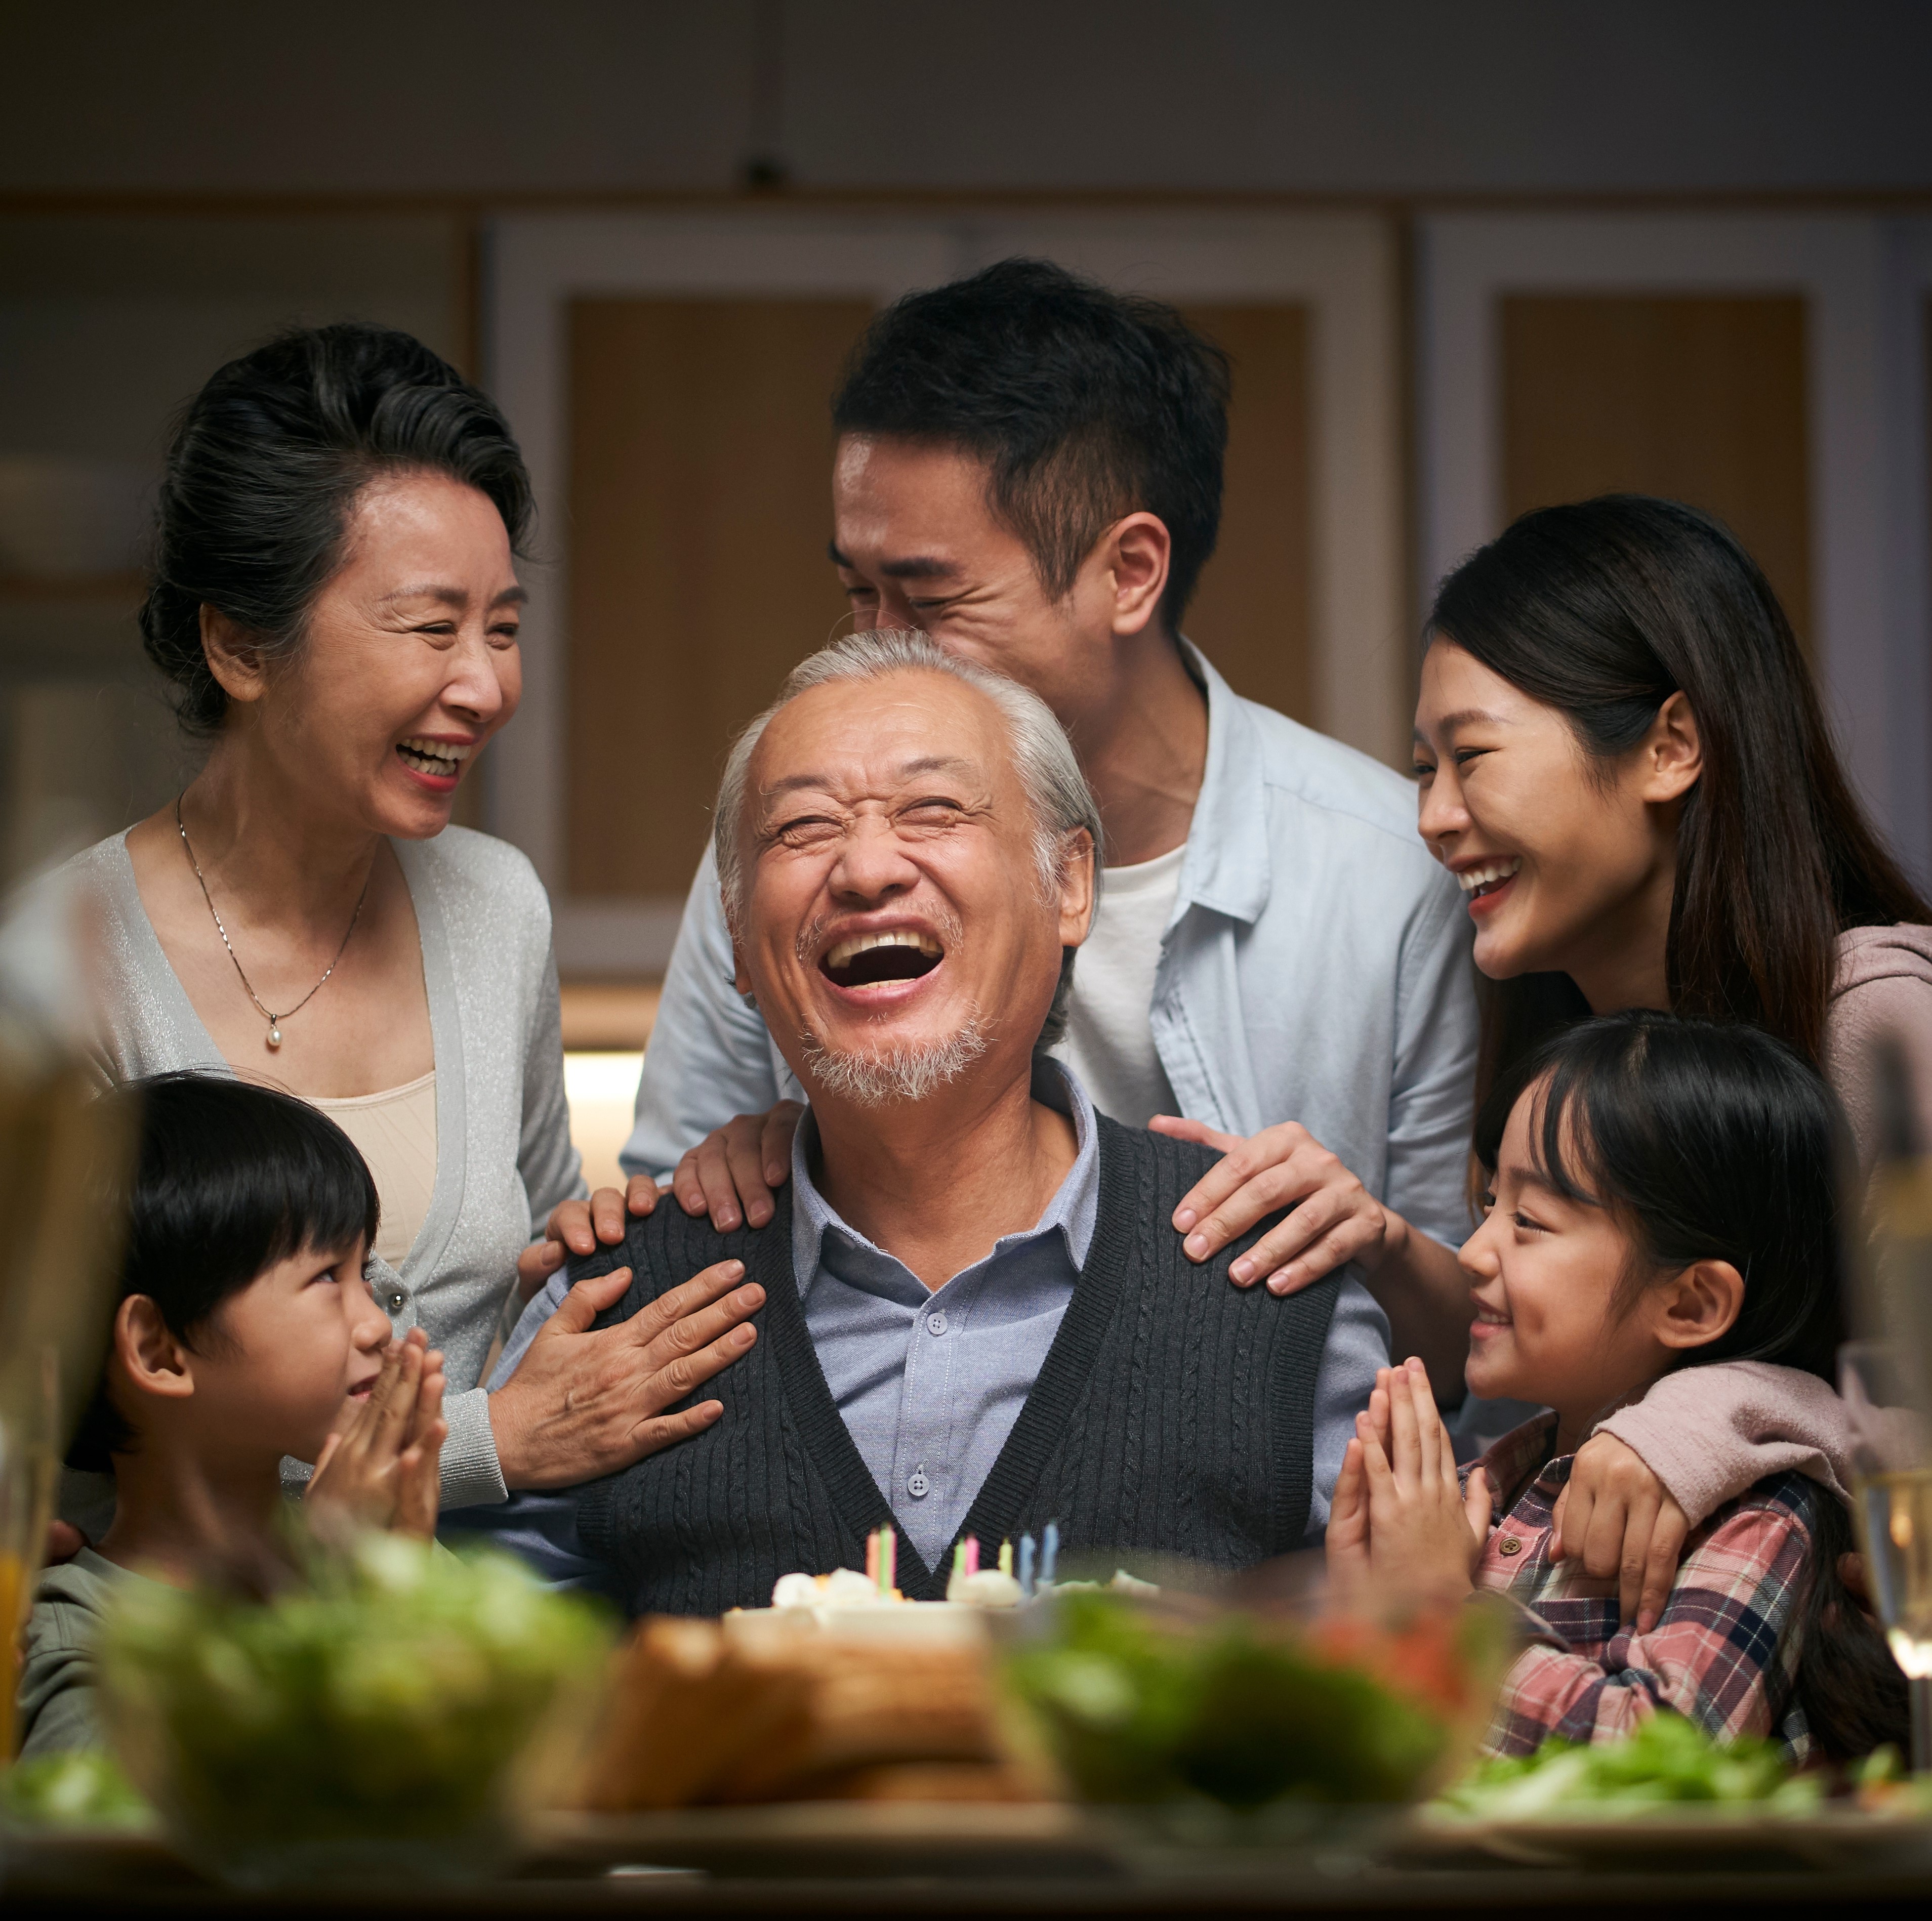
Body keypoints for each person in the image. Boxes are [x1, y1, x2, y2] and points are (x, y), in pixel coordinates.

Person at [620, 259, 1479, 1391]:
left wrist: (1366, 1236)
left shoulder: (1388, 874)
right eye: (856, 591)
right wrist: (718, 1176)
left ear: (1128, 572)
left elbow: (1481, 1345)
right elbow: (663, 1235)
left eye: (930, 602)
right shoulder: (813, 852)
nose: (880, 648)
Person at [481, 632, 1385, 1612]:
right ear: (738, 942)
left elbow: (1392, 1681)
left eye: (934, 809)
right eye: (803, 828)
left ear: (1069, 884)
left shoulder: (1275, 1284)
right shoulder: (608, 1300)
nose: (867, 868)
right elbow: (481, 1680)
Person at [60, 324, 753, 1529]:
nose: (485, 686)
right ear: (237, 644)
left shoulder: (497, 909)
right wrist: (498, 1440)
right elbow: (84, 1426)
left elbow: (537, 1272)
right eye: (432, 629)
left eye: (503, 626)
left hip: (492, 1608)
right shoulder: (62, 970)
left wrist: (601, 1238)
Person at [1408, 493, 1932, 1619]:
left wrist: (1724, 1410)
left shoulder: (1872, 1019)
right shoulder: (1555, 1053)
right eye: (1423, 770)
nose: (1436, 816)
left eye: (1473, 758)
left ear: (1669, 745)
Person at [1327, 1013, 1905, 1764]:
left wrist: (1437, 1611)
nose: (1471, 1253)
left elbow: (1661, 1763)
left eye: (1528, 1219)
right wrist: (1361, 1612)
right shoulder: (1477, 1495)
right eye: (1488, 1205)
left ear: (1690, 1303)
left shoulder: (1759, 1517)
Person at [18, 1075, 447, 1758]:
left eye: (364, 1272)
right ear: (160, 1350)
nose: (376, 1325)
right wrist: (333, 1598)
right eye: (326, 1279)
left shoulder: (391, 1542)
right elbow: (136, 1842)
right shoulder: (79, 1636)